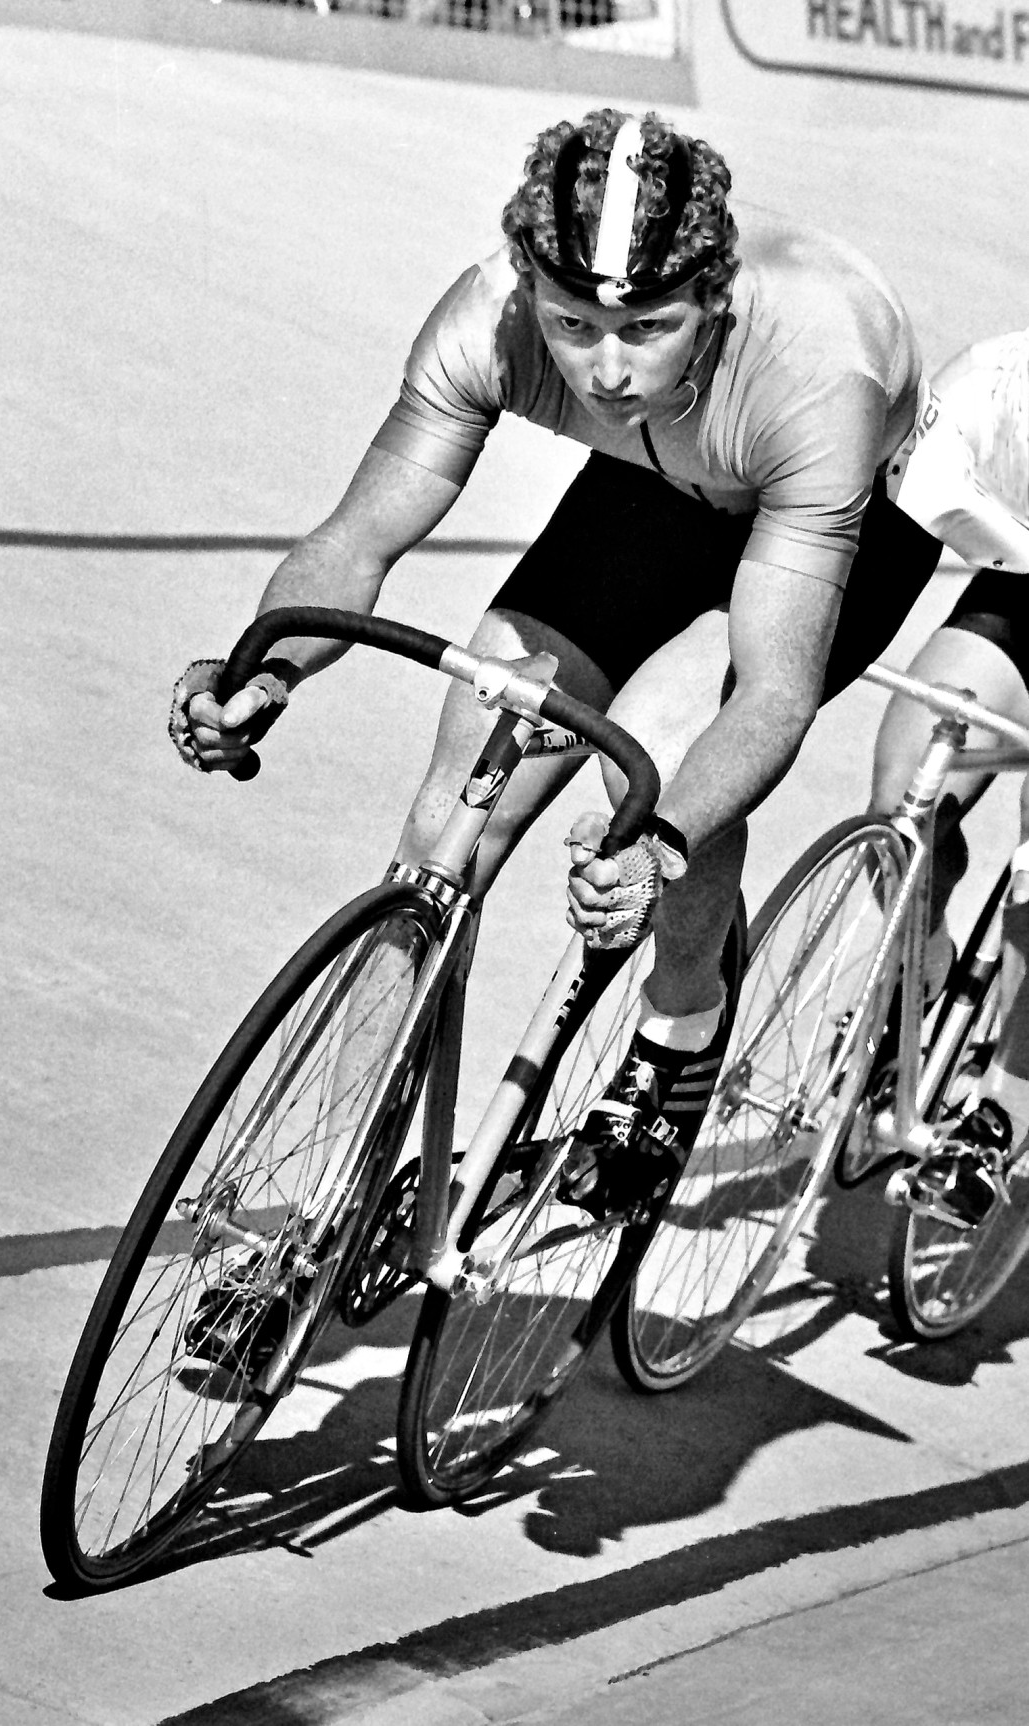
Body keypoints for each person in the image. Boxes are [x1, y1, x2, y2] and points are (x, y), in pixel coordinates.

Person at [169, 108, 948, 1220]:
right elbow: (358, 536)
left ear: (713, 299)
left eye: (649, 328)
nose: (607, 368)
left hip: (830, 505)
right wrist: (267, 669)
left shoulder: (820, 370)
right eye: (572, 323)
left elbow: (771, 690)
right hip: (653, 485)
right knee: (445, 826)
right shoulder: (486, 318)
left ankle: (677, 1029)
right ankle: (311, 1216)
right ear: (528, 283)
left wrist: (660, 840)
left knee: (664, 752)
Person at [871, 327, 1029, 1230]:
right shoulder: (986, 389)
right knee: (905, 792)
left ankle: (1004, 1109)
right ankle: (921, 967)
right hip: (1025, 585)